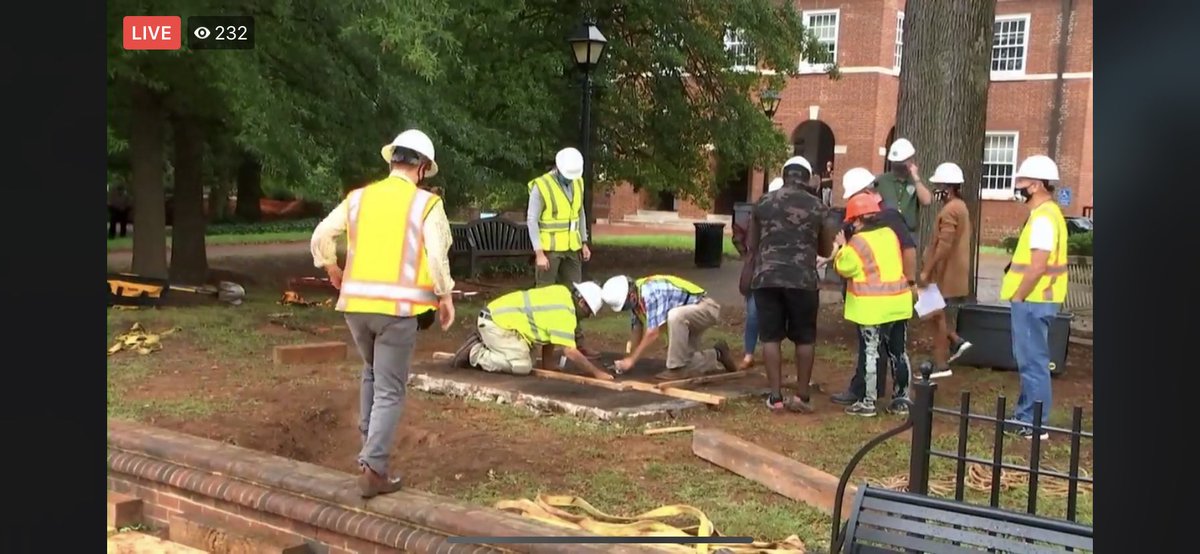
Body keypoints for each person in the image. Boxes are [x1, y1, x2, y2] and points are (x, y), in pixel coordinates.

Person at [309, 129, 455, 498]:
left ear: (392, 161)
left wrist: (331, 268)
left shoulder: (358, 199)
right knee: (390, 388)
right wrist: (446, 295)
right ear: (422, 168)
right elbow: (436, 256)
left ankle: (367, 454)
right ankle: (374, 469)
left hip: (356, 307)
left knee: (372, 374)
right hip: (398, 311)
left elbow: (321, 234)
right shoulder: (426, 205)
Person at [747, 158, 835, 413]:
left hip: (766, 278)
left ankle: (775, 397)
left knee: (771, 337)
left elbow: (752, 243)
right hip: (802, 281)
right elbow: (826, 248)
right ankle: (802, 396)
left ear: (784, 176)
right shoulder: (818, 207)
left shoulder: (763, 202)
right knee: (804, 337)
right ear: (807, 178)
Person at [829, 168, 918, 409]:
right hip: (898, 302)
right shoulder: (889, 233)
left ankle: (867, 402)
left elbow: (845, 267)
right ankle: (901, 400)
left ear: (857, 218)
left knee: (871, 352)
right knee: (898, 353)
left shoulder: (857, 241)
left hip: (872, 307)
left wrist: (841, 247)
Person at [1000, 155, 1069, 440]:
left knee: (1032, 362)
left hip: (1032, 300)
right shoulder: (1049, 214)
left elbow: (1038, 265)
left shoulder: (1043, 218)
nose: (1018, 186)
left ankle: (1033, 422)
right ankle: (1025, 416)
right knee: (1031, 360)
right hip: (1038, 299)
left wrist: (1019, 296)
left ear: (1037, 185)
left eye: (1022, 181)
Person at [451, 282, 613, 381]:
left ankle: (488, 344)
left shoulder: (562, 293)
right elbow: (570, 351)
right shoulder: (565, 313)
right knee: (522, 366)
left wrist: (548, 365)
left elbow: (550, 335)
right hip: (496, 324)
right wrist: (597, 373)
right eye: (588, 312)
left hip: (500, 320)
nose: (587, 316)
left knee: (527, 358)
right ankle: (476, 353)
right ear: (582, 303)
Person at [527, 148, 600, 364]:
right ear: (557, 168)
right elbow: (532, 220)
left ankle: (577, 341)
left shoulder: (577, 182)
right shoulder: (541, 186)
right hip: (549, 251)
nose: (570, 179)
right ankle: (537, 344)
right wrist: (539, 253)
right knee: (544, 298)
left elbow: (580, 213)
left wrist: (583, 242)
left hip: (571, 249)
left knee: (575, 295)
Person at [600, 274, 738, 379]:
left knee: (675, 316)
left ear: (630, 294)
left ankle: (675, 369)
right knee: (686, 362)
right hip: (687, 318)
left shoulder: (650, 292)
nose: (628, 308)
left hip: (706, 308)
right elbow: (637, 329)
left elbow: (652, 333)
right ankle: (718, 354)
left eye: (626, 304)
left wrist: (632, 360)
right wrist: (628, 360)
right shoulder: (636, 298)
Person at [918, 163, 975, 379]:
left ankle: (942, 364)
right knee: (933, 312)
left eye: (939, 185)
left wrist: (927, 270)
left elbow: (944, 244)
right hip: (948, 271)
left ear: (949, 188)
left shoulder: (951, 209)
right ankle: (956, 341)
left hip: (944, 272)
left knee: (935, 315)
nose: (936, 190)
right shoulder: (960, 206)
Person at [730, 177, 782, 371]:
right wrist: (748, 255)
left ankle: (772, 353)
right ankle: (749, 354)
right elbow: (739, 234)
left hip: (778, 273)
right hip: (758, 272)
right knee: (753, 314)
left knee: (776, 315)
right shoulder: (757, 214)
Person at [875, 138, 932, 235]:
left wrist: (916, 178)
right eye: (895, 163)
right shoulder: (881, 181)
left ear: (910, 161)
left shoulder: (915, 182)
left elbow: (927, 201)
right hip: (886, 233)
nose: (898, 166)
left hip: (908, 233)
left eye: (902, 162)